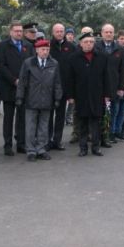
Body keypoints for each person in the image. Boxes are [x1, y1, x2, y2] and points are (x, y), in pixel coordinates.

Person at [16, 39, 62, 161]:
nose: (45, 52)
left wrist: (58, 97)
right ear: (37, 50)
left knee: (44, 126)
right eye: (43, 50)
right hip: (32, 99)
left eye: (47, 50)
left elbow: (57, 82)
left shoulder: (54, 63)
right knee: (30, 126)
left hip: (47, 100)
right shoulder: (28, 63)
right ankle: (31, 150)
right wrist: (20, 97)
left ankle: (41, 149)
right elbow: (22, 81)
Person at [66, 32, 111, 157]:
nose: (89, 44)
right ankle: (83, 148)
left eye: (91, 42)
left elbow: (106, 77)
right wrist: (70, 96)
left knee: (96, 122)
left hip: (97, 95)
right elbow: (70, 79)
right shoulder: (73, 58)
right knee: (82, 123)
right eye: (86, 42)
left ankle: (96, 147)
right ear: (80, 44)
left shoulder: (102, 57)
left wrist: (107, 94)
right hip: (81, 96)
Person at [0, 21, 34, 156]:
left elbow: (32, 64)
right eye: (16, 31)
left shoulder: (28, 46)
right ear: (10, 32)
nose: (19, 33)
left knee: (22, 117)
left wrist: (24, 81)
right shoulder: (3, 46)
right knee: (8, 117)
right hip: (9, 87)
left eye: (20, 31)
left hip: (24, 88)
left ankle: (21, 144)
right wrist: (14, 80)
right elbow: (1, 66)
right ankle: (7, 145)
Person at [96, 23, 124, 146]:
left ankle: (107, 136)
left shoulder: (119, 49)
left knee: (110, 112)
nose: (108, 34)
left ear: (113, 34)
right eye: (106, 32)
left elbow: (122, 70)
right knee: (98, 112)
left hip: (113, 87)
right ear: (102, 33)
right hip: (98, 86)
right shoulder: (96, 47)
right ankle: (96, 136)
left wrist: (121, 87)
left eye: (111, 32)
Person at [48, 22, 75, 151]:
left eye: (61, 31)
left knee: (60, 116)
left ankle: (57, 141)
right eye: (57, 31)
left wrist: (71, 92)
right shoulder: (47, 46)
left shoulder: (71, 47)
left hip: (64, 87)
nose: (59, 33)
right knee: (48, 116)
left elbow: (73, 70)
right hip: (49, 88)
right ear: (53, 32)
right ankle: (47, 140)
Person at [68, 25, 94, 144]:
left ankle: (89, 133)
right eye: (84, 33)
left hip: (91, 87)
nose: (86, 35)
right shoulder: (75, 49)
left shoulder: (95, 49)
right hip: (78, 88)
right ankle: (76, 133)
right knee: (76, 112)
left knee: (90, 111)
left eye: (88, 33)